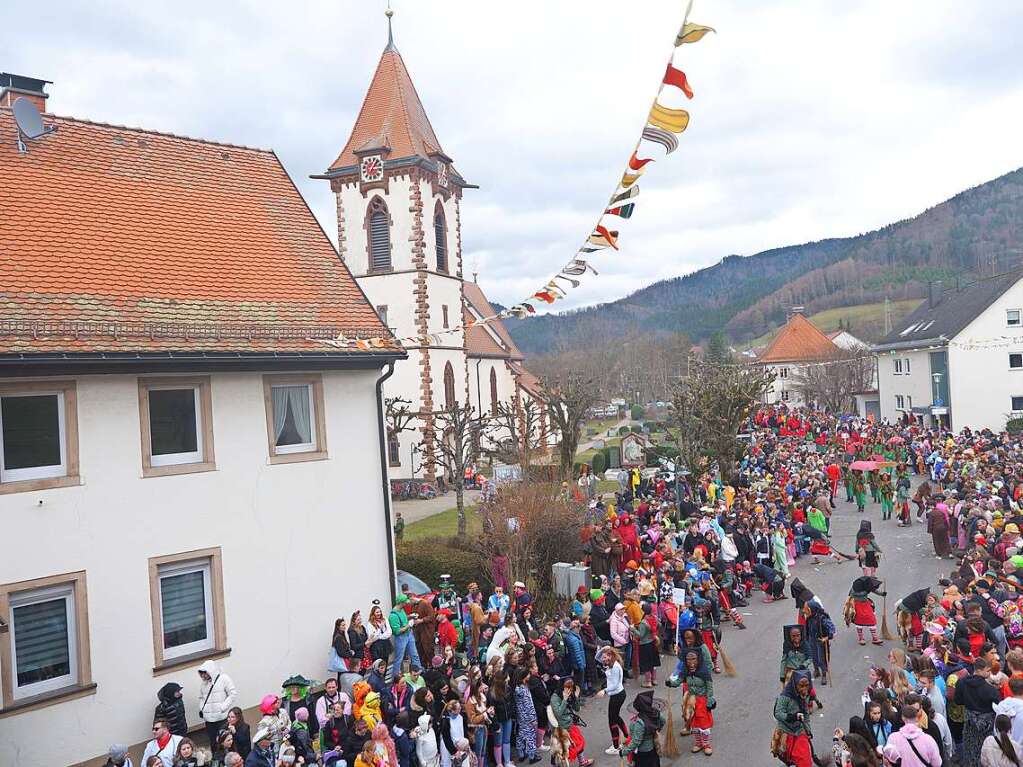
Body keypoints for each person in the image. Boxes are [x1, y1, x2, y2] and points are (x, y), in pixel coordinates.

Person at [956, 656, 1003, 766]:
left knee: (970, 749)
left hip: (969, 723)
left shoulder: (962, 682)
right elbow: (999, 707)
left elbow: (958, 701)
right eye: (987, 670)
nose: (989, 673)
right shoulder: (991, 690)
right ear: (980, 670)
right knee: (985, 750)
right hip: (986, 727)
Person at [772, 671, 815, 767]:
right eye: (801, 686)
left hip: (799, 730)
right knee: (786, 756)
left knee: (804, 761)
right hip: (785, 731)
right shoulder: (785, 696)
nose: (804, 689)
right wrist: (792, 717)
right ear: (795, 685)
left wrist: (808, 730)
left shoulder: (806, 695)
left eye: (806, 686)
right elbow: (778, 713)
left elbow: (806, 714)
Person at [198, 661, 238, 750]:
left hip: (221, 718)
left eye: (205, 673)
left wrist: (223, 707)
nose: (203, 676)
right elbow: (201, 697)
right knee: (213, 742)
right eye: (201, 674)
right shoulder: (204, 684)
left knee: (224, 740)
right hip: (209, 720)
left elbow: (233, 694)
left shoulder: (224, 678)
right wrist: (202, 709)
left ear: (210, 671)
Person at [619, 690, 666, 767]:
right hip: (653, 750)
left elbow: (636, 742)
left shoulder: (639, 723)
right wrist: (655, 730)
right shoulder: (655, 713)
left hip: (642, 754)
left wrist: (624, 752)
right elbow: (663, 721)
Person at [596, 647, 628, 754]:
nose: (603, 659)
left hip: (617, 695)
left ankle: (616, 746)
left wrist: (604, 691)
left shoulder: (615, 667)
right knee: (616, 717)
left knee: (612, 720)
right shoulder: (610, 663)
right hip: (617, 695)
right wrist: (603, 650)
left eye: (605, 657)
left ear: (610, 656)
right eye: (603, 657)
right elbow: (597, 657)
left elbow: (615, 685)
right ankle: (627, 737)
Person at [390, 595, 423, 681]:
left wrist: (410, 616)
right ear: (401, 603)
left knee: (414, 655)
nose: (406, 603)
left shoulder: (401, 610)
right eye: (405, 602)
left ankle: (419, 673)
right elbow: (397, 631)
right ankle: (396, 678)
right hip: (401, 638)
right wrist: (409, 624)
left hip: (409, 635)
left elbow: (404, 619)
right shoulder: (393, 616)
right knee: (399, 658)